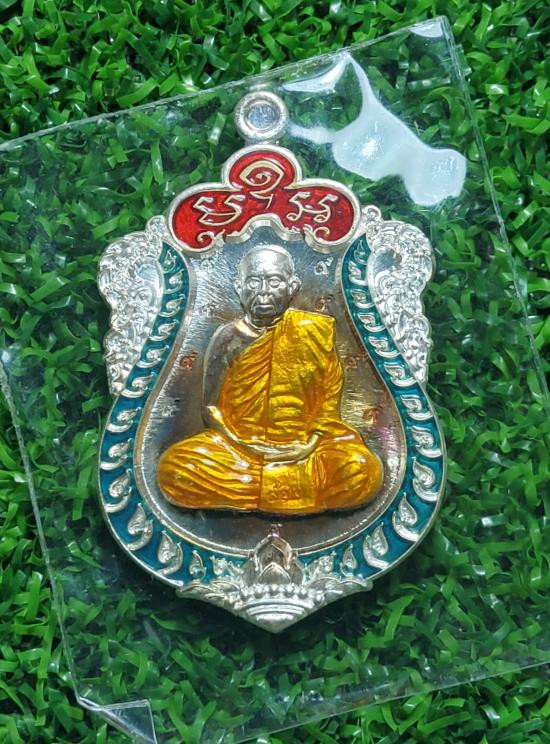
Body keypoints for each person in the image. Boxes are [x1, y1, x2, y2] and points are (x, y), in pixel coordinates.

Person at [157, 244, 383, 515]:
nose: (263, 290)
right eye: (254, 281)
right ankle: (292, 490)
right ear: (239, 287)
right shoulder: (228, 337)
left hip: (305, 450)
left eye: (274, 281)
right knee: (176, 469)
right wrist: (246, 445)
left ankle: (258, 491)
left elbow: (328, 405)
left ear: (292, 287)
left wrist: (307, 445)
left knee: (361, 469)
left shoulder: (313, 332)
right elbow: (210, 408)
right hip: (238, 451)